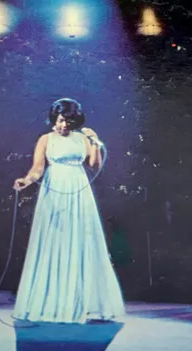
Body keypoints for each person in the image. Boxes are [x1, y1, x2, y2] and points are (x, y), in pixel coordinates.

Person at [12, 99, 124, 324]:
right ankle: (51, 303)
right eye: (61, 120)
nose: (64, 125)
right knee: (55, 240)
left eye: (69, 121)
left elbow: (94, 165)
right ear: (54, 118)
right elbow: (37, 169)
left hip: (79, 190)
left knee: (81, 241)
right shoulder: (46, 139)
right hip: (54, 189)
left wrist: (94, 143)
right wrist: (26, 181)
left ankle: (82, 304)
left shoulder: (82, 138)